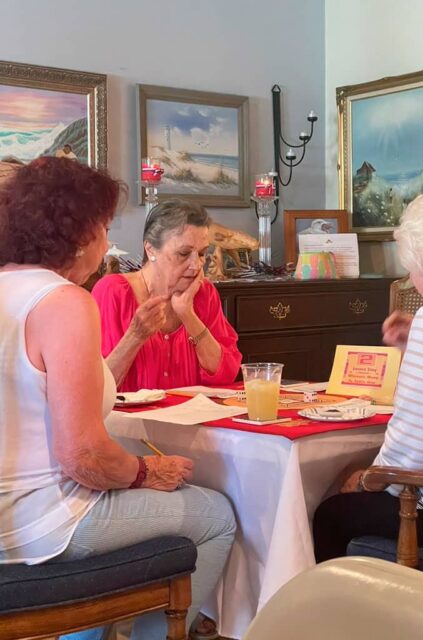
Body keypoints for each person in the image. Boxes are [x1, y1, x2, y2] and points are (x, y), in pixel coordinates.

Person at [0, 157, 236, 640]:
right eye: (105, 227)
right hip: (41, 523)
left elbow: (73, 404)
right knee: (217, 516)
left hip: (8, 517)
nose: (109, 243)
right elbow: (83, 457)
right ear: (78, 232)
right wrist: (149, 472)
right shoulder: (64, 301)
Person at [314, 187, 423, 563]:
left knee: (331, 514)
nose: (413, 279)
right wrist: (417, 346)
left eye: (412, 269)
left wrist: (368, 479)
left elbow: (414, 454)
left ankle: (356, 622)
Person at [91, 199, 242, 392]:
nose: (196, 265)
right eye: (184, 253)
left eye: (202, 253)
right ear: (151, 249)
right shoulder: (113, 291)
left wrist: (188, 315)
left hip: (192, 419)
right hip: (129, 422)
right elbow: (99, 389)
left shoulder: (204, 293)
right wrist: (136, 336)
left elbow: (226, 375)